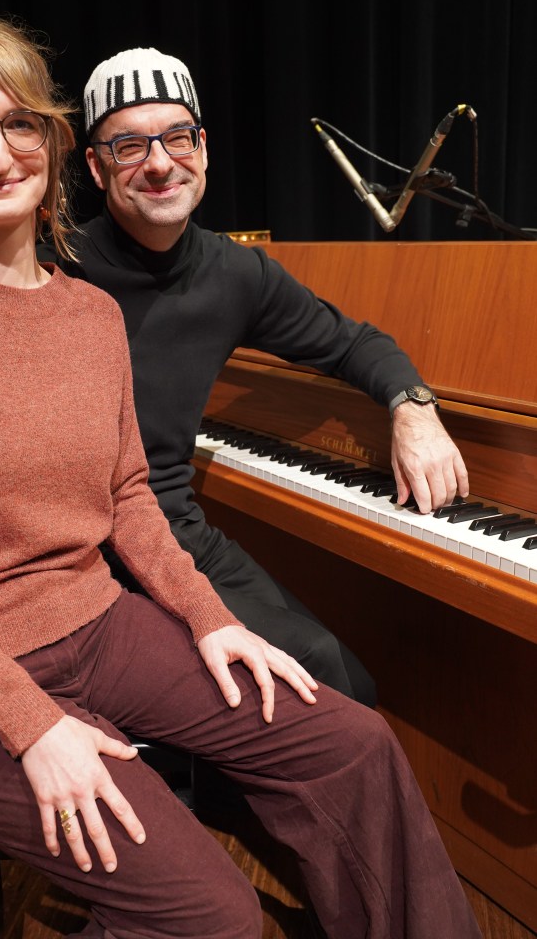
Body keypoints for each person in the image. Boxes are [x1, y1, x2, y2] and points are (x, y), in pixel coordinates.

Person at [0, 14, 482, 939]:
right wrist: (33, 725)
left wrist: (210, 619)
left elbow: (129, 495)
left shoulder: (90, 314)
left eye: (18, 122)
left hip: (100, 621)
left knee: (351, 741)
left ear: (50, 144)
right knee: (214, 918)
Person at [38, 46, 470, 709]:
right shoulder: (52, 270)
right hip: (83, 561)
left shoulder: (235, 273)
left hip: (178, 533)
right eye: (129, 146)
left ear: (203, 148)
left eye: (178, 137)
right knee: (307, 686)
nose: (160, 163)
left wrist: (413, 408)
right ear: (96, 167)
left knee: (343, 681)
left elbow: (354, 343)